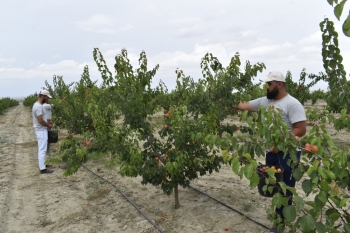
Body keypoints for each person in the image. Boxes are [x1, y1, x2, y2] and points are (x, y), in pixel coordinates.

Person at [233, 71, 306, 232]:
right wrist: (225, 101)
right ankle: (278, 216)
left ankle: (280, 225)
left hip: (288, 153)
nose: (267, 87)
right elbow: (242, 105)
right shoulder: (265, 101)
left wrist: (280, 144)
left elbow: (300, 129)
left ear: (279, 84)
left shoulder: (292, 104)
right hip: (271, 152)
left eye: (269, 84)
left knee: (285, 188)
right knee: (274, 186)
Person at [32, 90, 54, 174]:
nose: (48, 99)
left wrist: (48, 122)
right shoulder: (38, 106)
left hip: (42, 129)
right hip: (41, 130)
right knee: (42, 149)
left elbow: (42, 118)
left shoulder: (38, 105)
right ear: (43, 96)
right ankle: (43, 169)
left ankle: (43, 164)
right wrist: (48, 125)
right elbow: (40, 120)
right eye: (47, 97)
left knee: (43, 148)